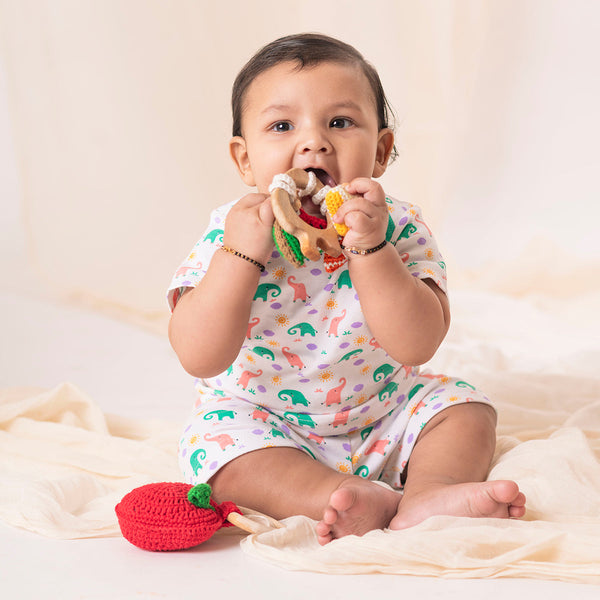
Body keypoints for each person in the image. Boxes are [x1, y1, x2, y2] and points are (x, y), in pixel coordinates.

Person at [167, 33, 526, 545]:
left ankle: (430, 490)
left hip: (385, 411)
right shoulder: (232, 231)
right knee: (216, 452)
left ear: (381, 150)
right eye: (282, 125)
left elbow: (417, 344)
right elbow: (198, 355)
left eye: (340, 122)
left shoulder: (396, 226)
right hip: (268, 421)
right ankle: (342, 495)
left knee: (465, 411)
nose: (314, 142)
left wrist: (370, 249)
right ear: (245, 160)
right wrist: (241, 257)